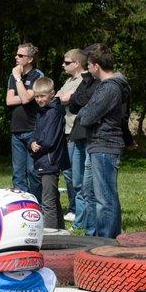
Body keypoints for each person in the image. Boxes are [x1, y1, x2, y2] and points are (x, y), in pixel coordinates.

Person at [75, 44, 129, 239]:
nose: (88, 69)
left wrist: (88, 112)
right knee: (91, 192)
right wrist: (88, 112)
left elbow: (87, 116)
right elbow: (86, 112)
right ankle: (97, 235)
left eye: (88, 65)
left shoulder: (110, 88)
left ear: (96, 66)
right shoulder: (109, 87)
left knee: (105, 196)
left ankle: (107, 239)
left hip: (105, 144)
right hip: (98, 144)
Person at [25, 81, 70, 230]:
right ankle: (60, 230)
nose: (39, 100)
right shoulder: (42, 112)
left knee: (48, 201)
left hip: (50, 160)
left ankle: (50, 233)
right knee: (53, 198)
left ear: (52, 94)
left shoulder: (53, 112)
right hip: (43, 159)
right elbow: (35, 132)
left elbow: (50, 139)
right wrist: (31, 143)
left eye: (42, 96)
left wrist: (39, 145)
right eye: (36, 97)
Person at [5, 43, 47, 198]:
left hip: (32, 129)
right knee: (18, 173)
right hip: (16, 129)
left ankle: (37, 204)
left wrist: (18, 79)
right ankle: (21, 205)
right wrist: (23, 93)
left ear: (30, 59)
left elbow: (26, 98)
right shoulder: (13, 76)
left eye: (20, 55)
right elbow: (9, 100)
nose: (16, 57)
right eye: (16, 55)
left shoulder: (37, 75)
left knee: (33, 171)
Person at [57, 48, 94, 225]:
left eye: (67, 62)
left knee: (76, 176)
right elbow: (57, 97)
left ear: (77, 63)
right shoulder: (69, 80)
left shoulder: (84, 80)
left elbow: (66, 99)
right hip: (65, 131)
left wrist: (65, 98)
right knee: (69, 173)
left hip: (76, 132)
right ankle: (76, 210)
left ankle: (78, 211)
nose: (63, 65)